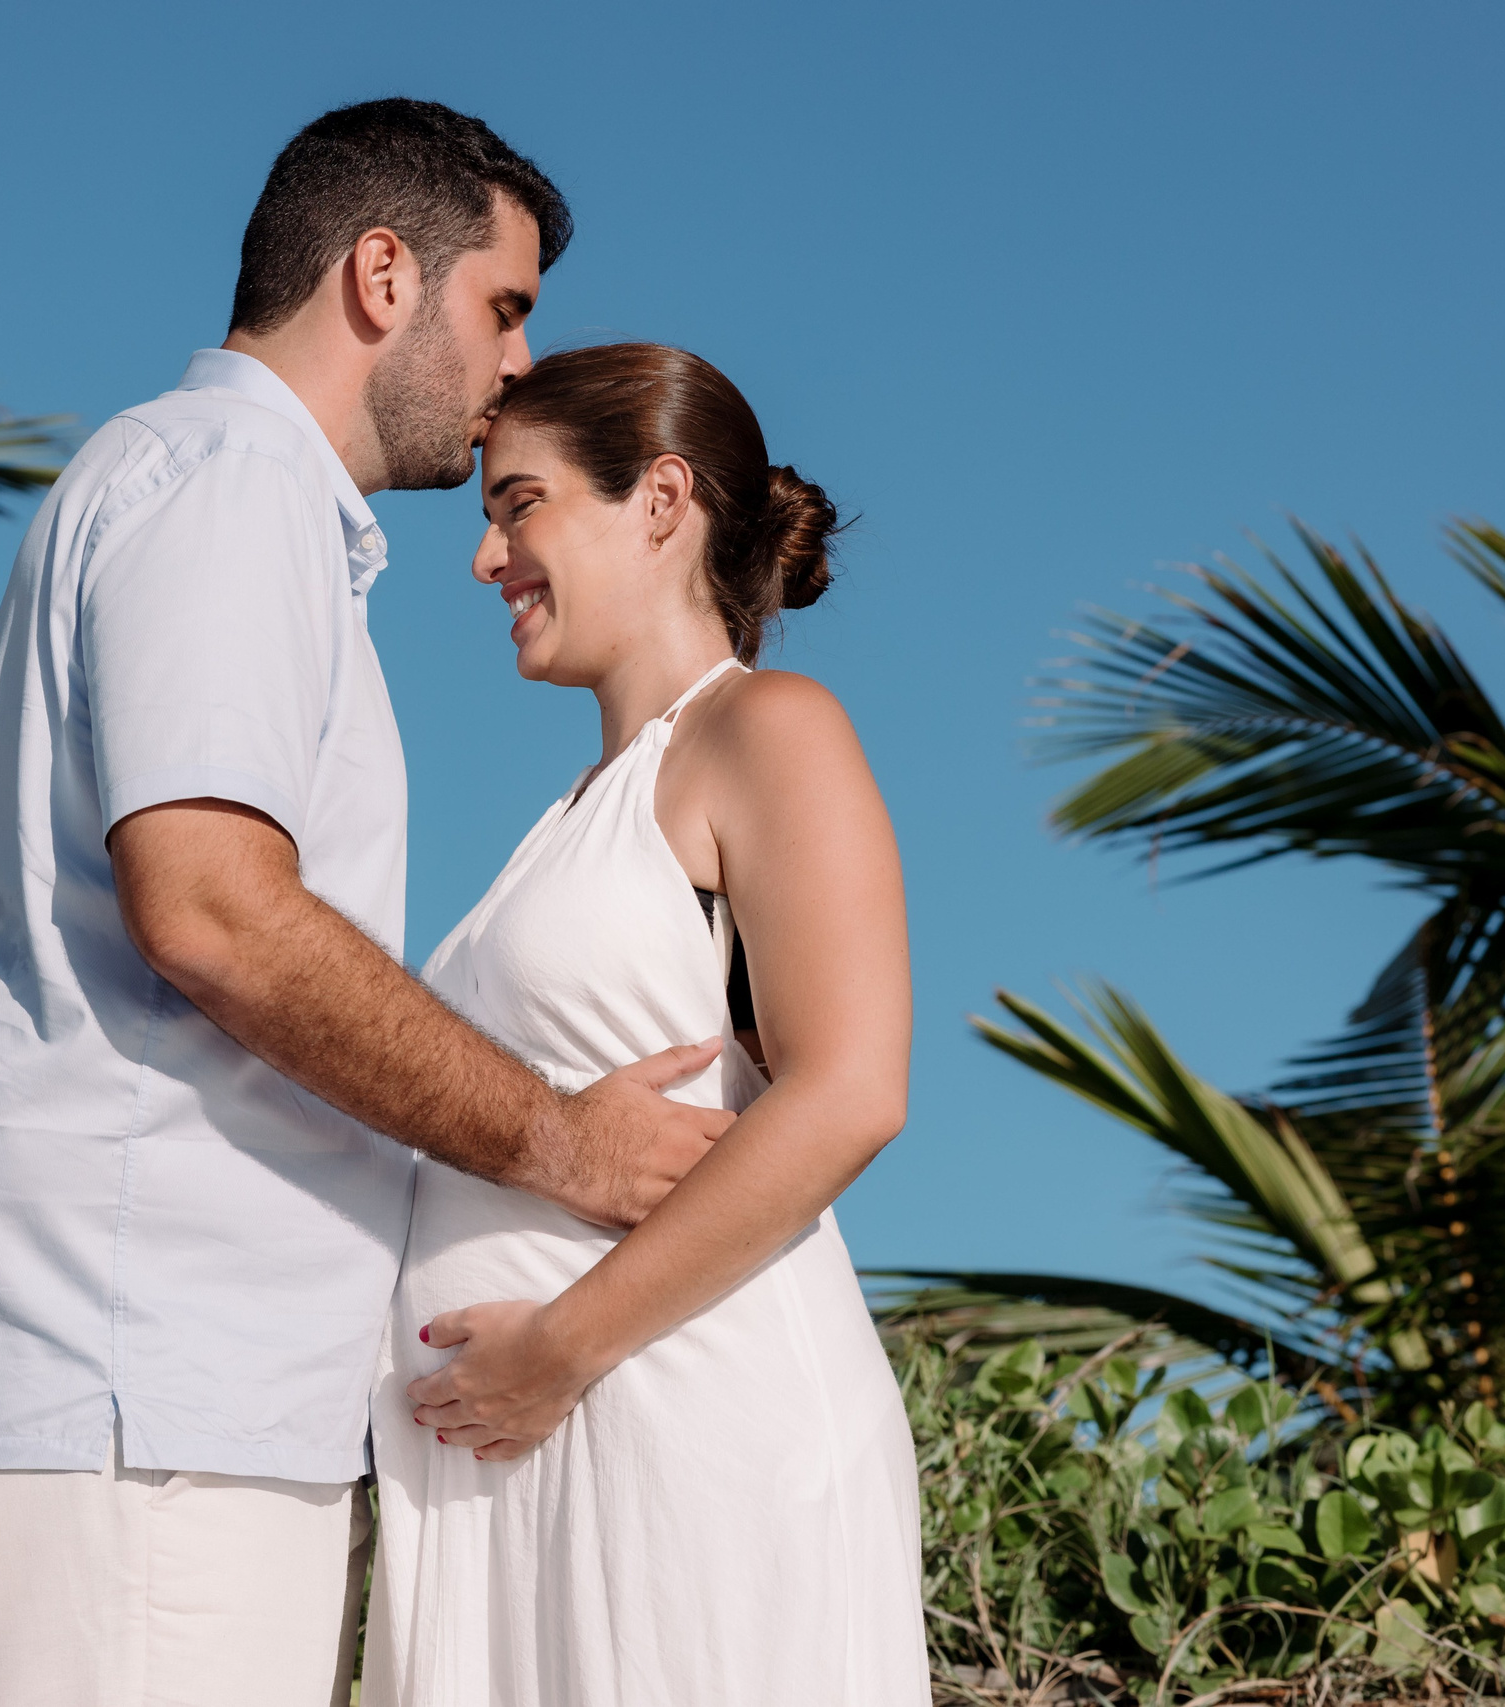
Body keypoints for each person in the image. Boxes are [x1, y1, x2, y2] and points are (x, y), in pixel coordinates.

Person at [0, 103, 738, 1707]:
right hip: (125, 1402)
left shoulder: (231, 501)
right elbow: (213, 911)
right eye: (505, 308)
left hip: (160, 1405)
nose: (518, 371)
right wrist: (558, 1142)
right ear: (383, 276)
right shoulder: (228, 489)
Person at [367, 343, 927, 1707]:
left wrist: (558, 1352)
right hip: (532, 1465)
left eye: (520, 505)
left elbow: (851, 1087)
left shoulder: (766, 729)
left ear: (661, 500)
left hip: (687, 1435)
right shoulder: (569, 818)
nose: (488, 559)